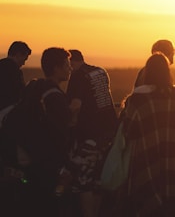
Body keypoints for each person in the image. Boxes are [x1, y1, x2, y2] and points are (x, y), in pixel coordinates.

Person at [1, 47, 72, 216]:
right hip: (48, 167)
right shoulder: (55, 97)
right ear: (56, 68)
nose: (69, 68)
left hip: (30, 164)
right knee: (50, 206)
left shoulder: (35, 89)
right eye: (66, 65)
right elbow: (58, 135)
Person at [120, 53, 175, 216]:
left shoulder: (137, 99)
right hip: (170, 159)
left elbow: (128, 131)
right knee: (167, 204)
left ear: (148, 72)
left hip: (144, 159)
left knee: (145, 201)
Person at [65, 49, 118, 217]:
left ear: (71, 62)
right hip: (109, 133)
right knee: (98, 181)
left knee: (83, 181)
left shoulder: (78, 75)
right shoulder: (100, 71)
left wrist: (68, 124)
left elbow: (75, 105)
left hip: (89, 135)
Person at [0, 41, 32, 111]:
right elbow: (20, 93)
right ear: (18, 54)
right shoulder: (15, 70)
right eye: (24, 59)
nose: (23, 63)